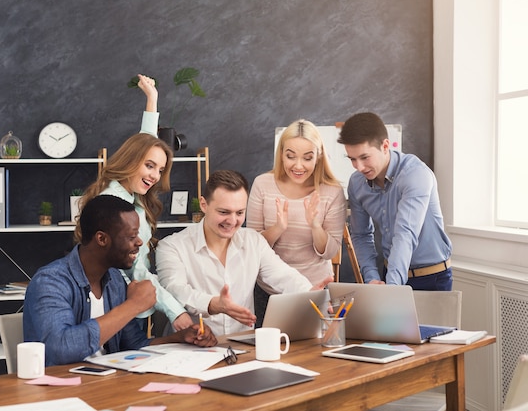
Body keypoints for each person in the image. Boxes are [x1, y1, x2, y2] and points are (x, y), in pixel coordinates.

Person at [23, 195, 217, 366]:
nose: (140, 242)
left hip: (107, 387)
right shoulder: (50, 282)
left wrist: (180, 338)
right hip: (62, 394)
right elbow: (61, 349)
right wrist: (133, 305)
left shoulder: (114, 280)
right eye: (131, 236)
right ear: (102, 239)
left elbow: (135, 345)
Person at [76, 75, 193, 332]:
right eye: (149, 166)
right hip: (121, 307)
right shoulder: (119, 208)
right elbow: (138, 272)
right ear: (131, 159)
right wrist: (176, 312)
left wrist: (152, 99)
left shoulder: (127, 189)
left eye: (160, 170)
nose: (154, 175)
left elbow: (145, 144)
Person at [156, 170, 332, 336]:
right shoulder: (171, 246)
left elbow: (284, 276)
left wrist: (310, 292)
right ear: (204, 204)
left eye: (240, 212)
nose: (232, 221)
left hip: (241, 346)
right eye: (224, 212)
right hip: (188, 348)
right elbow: (175, 290)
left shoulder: (253, 241)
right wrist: (214, 304)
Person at [247, 119, 346, 326]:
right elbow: (251, 246)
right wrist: (278, 229)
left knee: (314, 353)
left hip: (317, 288)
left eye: (307, 158)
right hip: (270, 292)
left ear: (318, 157)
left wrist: (315, 226)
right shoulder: (262, 184)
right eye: (291, 156)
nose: (298, 166)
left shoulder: (332, 191)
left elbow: (329, 251)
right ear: (281, 154)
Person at [338, 112, 452, 290]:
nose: (359, 167)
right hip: (389, 273)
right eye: (352, 159)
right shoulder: (356, 183)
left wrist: (391, 290)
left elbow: (405, 234)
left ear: (385, 146)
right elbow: (361, 235)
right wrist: (371, 279)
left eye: (364, 157)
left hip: (431, 278)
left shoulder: (416, 175)